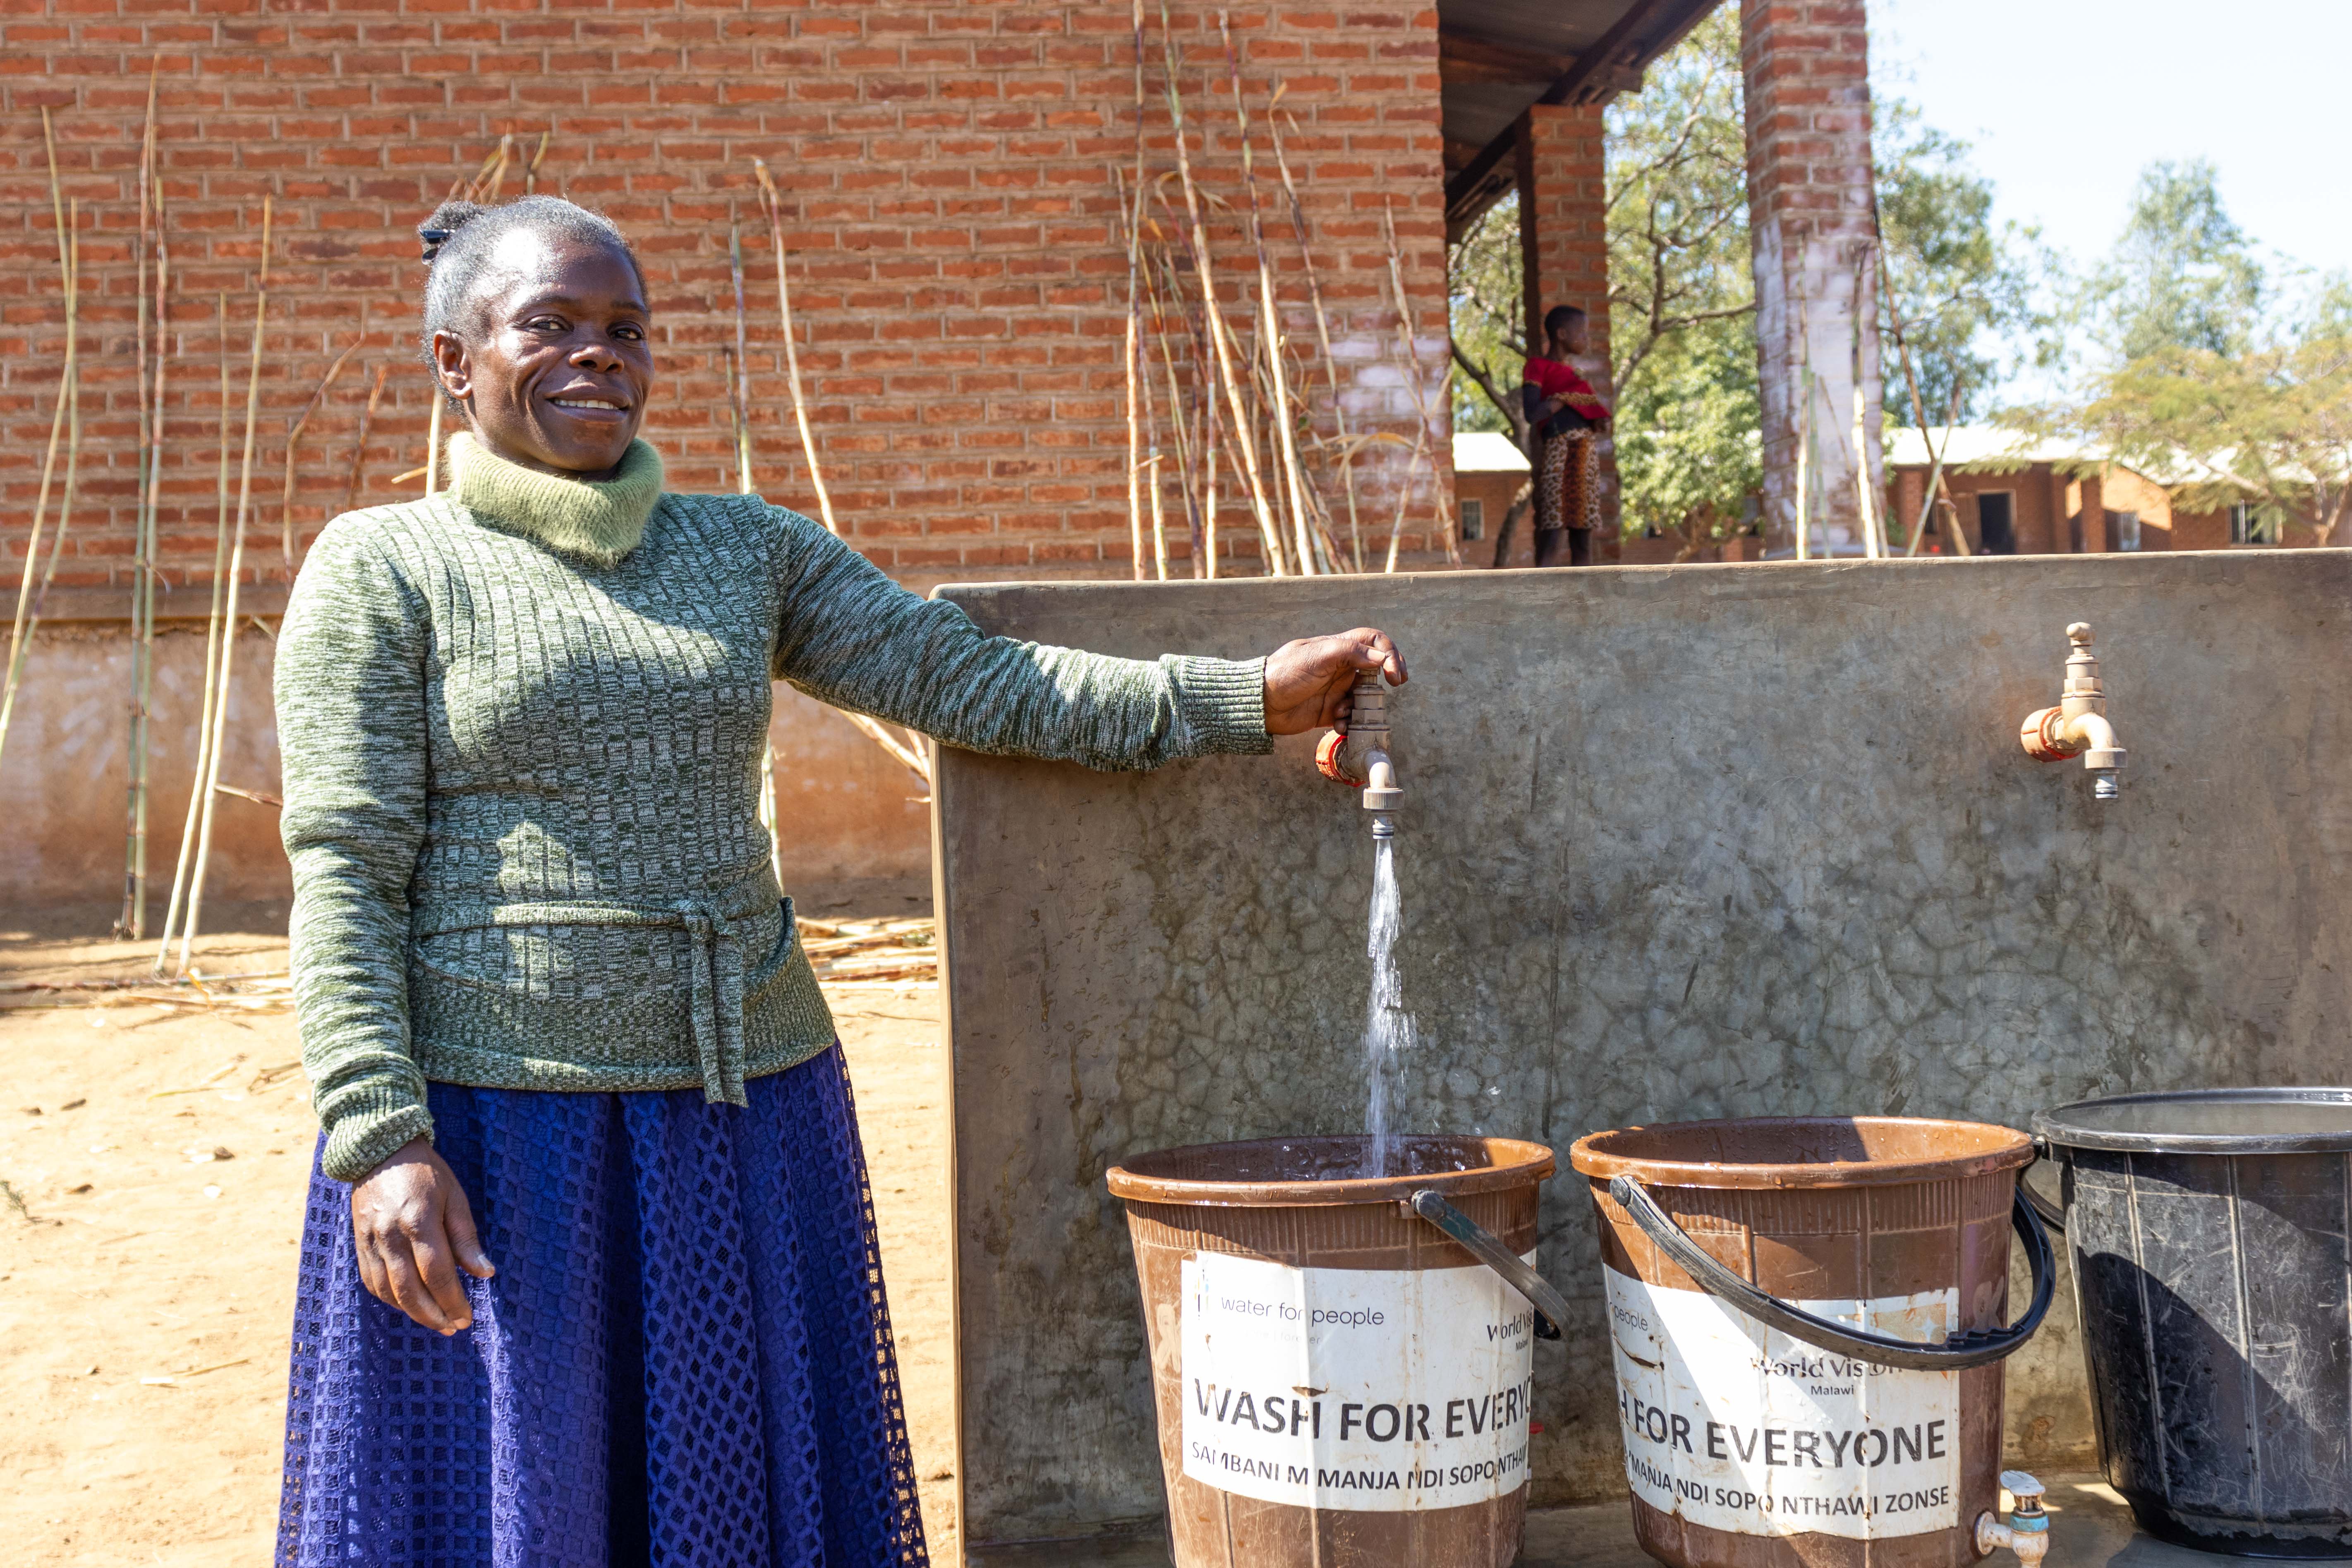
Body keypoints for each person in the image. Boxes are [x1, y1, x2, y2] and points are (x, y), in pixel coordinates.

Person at [272, 194, 1409, 1566]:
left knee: (722, 1486)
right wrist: (379, 1138)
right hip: (504, 1130)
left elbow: (966, 677)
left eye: (625, 330)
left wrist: (1241, 698)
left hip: (738, 1102)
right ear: (456, 360)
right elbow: (345, 864)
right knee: (531, 1492)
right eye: (549, 327)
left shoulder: (743, 550)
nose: (597, 357)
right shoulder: (385, 567)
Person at [1520, 304, 1612, 567]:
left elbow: (1601, 422)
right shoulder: (1537, 367)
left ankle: (1585, 600)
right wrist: (1563, 399)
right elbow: (1532, 413)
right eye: (1581, 333)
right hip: (1559, 450)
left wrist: (1584, 402)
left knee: (1583, 530)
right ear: (1562, 334)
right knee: (1553, 527)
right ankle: (1542, 596)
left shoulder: (1576, 376)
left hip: (1585, 453)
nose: (1586, 339)